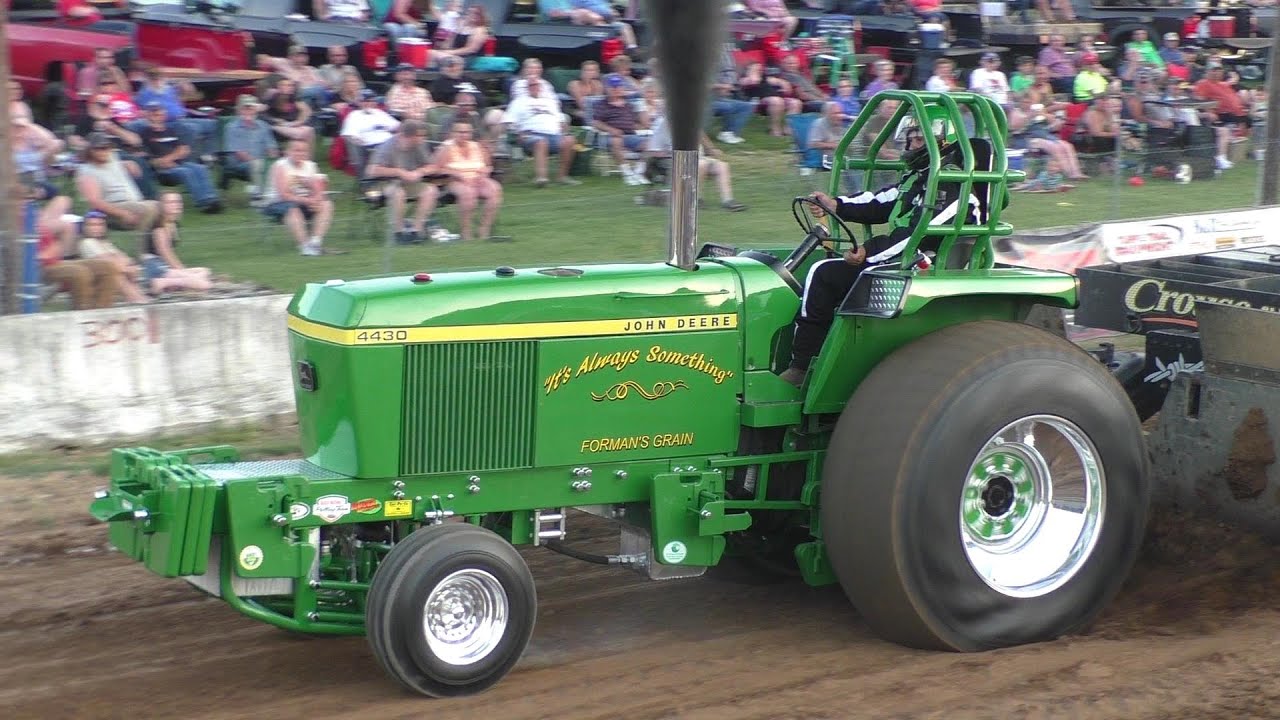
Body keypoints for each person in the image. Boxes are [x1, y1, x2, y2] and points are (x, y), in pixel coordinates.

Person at [778, 126, 985, 386]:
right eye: (909, 139)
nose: (911, 145)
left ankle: (801, 365)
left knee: (823, 273)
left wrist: (868, 253)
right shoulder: (921, 178)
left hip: (931, 263)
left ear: (943, 143)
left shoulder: (954, 186)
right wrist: (836, 204)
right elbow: (880, 201)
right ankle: (814, 359)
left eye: (919, 139)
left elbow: (917, 235)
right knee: (828, 271)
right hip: (909, 258)